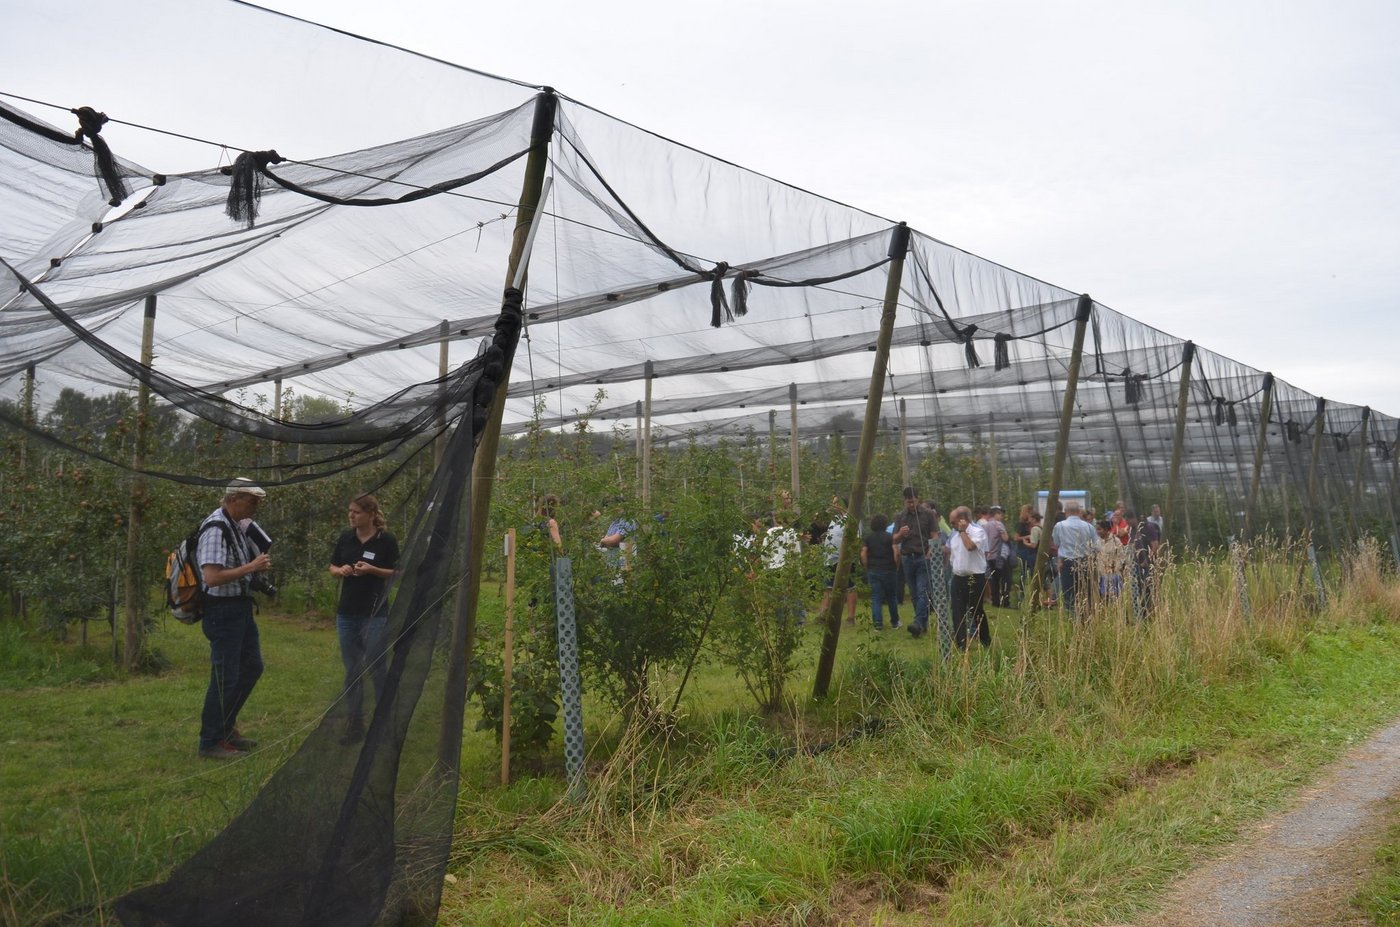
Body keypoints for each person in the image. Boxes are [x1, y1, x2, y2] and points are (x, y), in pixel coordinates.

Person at [196, 479, 273, 760]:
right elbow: (212, 577)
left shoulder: (235, 526)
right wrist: (251, 567)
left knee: (252, 667)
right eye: (252, 502)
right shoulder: (216, 528)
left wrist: (253, 574)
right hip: (222, 611)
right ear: (235, 499)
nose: (255, 508)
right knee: (225, 677)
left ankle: (226, 728)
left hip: (239, 609)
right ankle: (210, 741)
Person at [328, 492, 400, 744]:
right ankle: (355, 723)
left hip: (374, 614)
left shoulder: (385, 541)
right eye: (350, 511)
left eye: (356, 512)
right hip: (347, 613)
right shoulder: (346, 538)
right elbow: (333, 566)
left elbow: (395, 572)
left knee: (377, 667)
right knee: (353, 669)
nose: (351, 516)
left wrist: (372, 570)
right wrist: (342, 570)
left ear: (370, 515)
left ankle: (383, 725)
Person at [892, 487, 938, 638]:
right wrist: (900, 534)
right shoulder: (900, 517)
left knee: (922, 590)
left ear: (918, 499)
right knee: (913, 593)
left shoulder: (928, 515)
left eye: (913, 501)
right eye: (908, 502)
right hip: (907, 557)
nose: (911, 504)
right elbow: (894, 539)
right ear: (904, 501)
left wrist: (931, 551)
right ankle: (921, 624)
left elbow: (934, 535)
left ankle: (917, 622)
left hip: (922, 557)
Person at [946, 506, 991, 649]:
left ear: (962, 520)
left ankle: (985, 640)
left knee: (976, 611)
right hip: (958, 577)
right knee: (957, 611)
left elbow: (970, 546)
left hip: (974, 577)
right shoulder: (954, 535)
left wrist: (963, 532)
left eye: (953, 522)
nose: (952, 526)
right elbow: (953, 555)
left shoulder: (978, 532)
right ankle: (961, 644)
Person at [1051, 500, 1099, 617]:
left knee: (1069, 592)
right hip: (1085, 562)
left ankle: (1072, 617)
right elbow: (1096, 547)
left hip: (1067, 562)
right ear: (1078, 512)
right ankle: (1086, 617)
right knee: (1085, 592)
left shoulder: (1060, 526)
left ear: (1066, 512)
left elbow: (1056, 543)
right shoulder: (1088, 526)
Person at [818, 496, 858, 626]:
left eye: (835, 503)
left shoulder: (851, 520)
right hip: (830, 559)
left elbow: (855, 540)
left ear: (842, 505)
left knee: (850, 587)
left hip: (845, 560)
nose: (832, 505)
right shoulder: (834, 520)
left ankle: (850, 618)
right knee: (828, 587)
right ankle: (823, 616)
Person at [860, 513, 900, 630]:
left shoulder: (868, 538)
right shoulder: (889, 537)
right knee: (891, 596)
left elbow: (863, 554)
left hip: (874, 570)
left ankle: (878, 624)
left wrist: (867, 566)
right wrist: (896, 565)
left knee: (876, 597)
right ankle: (895, 622)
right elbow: (896, 553)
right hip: (889, 569)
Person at [1128, 507, 1161, 620]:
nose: (1127, 522)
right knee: (1138, 591)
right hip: (1134, 566)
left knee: (1148, 591)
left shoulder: (1148, 528)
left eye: (1129, 519)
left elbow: (1155, 545)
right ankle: (1140, 614)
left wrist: (1147, 561)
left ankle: (1150, 614)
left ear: (1134, 519)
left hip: (1147, 565)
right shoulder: (1131, 529)